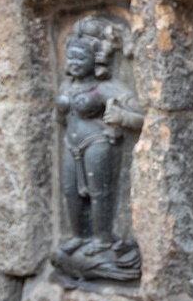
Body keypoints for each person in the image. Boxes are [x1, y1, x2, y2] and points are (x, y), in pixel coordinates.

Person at [56, 17, 143, 262]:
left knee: (99, 192)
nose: (74, 63)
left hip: (98, 143)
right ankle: (79, 236)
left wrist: (121, 118)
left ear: (95, 61)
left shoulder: (107, 87)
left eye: (80, 59)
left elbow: (141, 117)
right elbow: (60, 119)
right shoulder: (66, 85)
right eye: (71, 58)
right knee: (70, 191)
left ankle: (102, 237)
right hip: (71, 144)